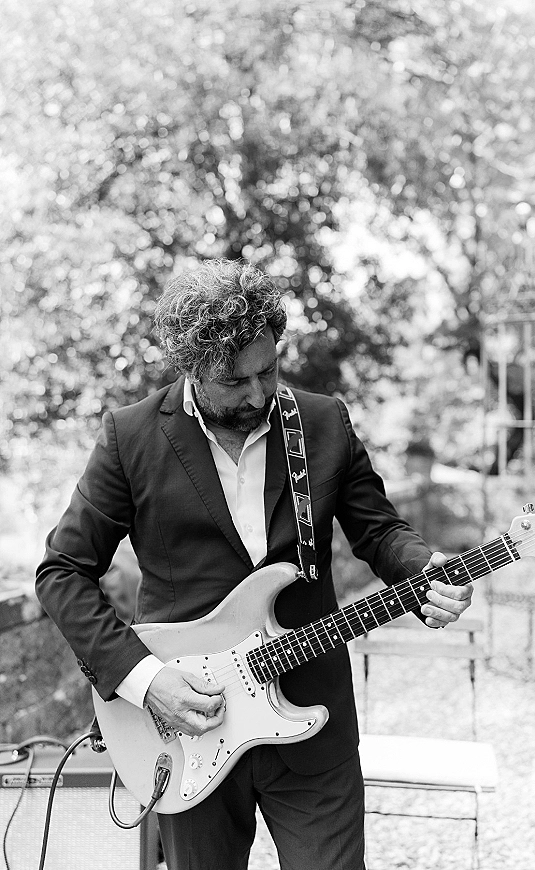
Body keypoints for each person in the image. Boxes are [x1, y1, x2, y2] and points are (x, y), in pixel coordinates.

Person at [36, 259, 473, 870]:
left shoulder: (321, 423)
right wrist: (145, 679)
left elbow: (380, 532)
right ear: (192, 365)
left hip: (312, 721)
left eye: (269, 370)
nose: (259, 393)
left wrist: (425, 568)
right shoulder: (130, 438)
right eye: (235, 380)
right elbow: (62, 572)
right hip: (187, 724)